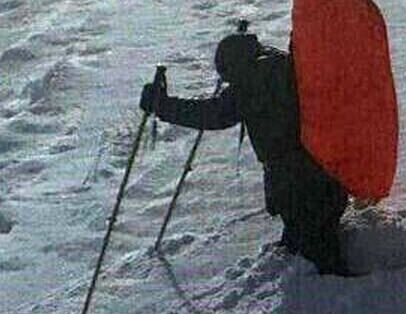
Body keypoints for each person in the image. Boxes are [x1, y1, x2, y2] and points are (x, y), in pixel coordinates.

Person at [140, 28, 350, 276]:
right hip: (326, 175)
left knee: (323, 261)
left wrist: (162, 106)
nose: (229, 84)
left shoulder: (253, 82)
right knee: (305, 241)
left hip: (298, 184)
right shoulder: (281, 64)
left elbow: (214, 113)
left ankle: (348, 300)